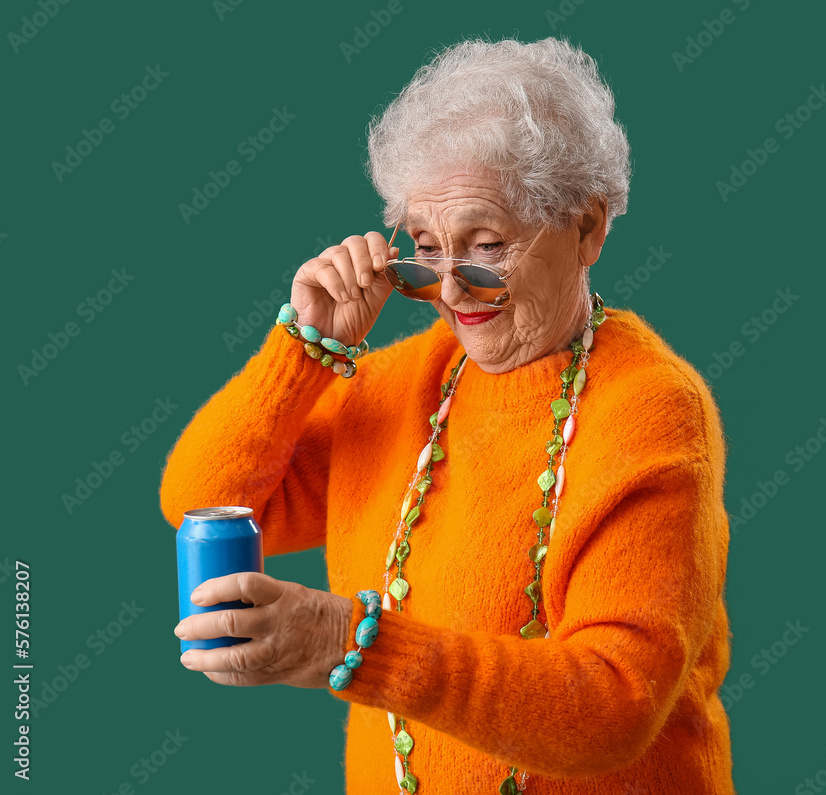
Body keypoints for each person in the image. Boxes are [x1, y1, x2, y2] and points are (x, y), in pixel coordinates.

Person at [160, 36, 735, 794]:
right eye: (426, 251)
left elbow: (613, 703)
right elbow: (202, 501)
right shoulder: (405, 382)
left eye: (487, 247)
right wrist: (305, 350)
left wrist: (350, 645)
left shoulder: (653, 409)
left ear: (589, 226)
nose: (454, 293)